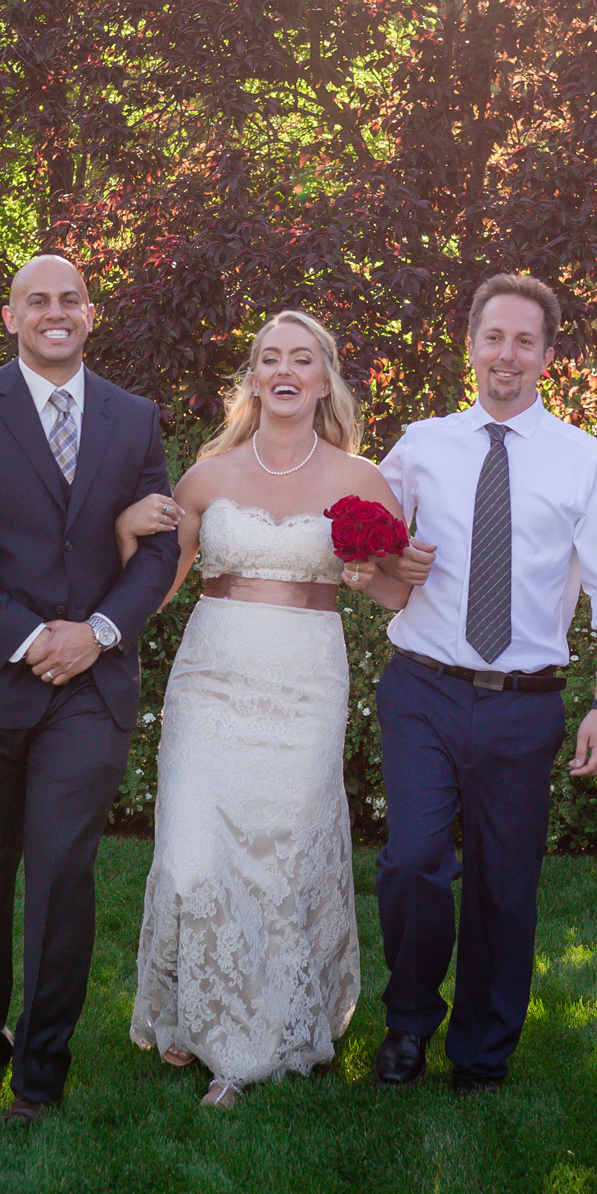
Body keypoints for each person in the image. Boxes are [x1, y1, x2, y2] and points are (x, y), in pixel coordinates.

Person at [355, 272, 597, 1094]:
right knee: (412, 861)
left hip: (525, 703)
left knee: (503, 883)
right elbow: (369, 543)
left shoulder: (585, 461)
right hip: (424, 689)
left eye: (525, 340)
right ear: (471, 344)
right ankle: (409, 1022)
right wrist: (373, 561)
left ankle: (482, 1048)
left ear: (548, 355)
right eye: (493, 337)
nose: (506, 354)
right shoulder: (420, 445)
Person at [0, 255, 180, 1125]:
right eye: (38, 300)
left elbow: (162, 549)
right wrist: (31, 639)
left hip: (88, 688)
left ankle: (41, 1072)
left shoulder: (135, 419)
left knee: (63, 874)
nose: (54, 313)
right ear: (11, 315)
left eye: (69, 300)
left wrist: (94, 633)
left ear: (92, 315)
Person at [114, 310, 399, 1108]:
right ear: (252, 379)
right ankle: (190, 1010)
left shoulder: (361, 479)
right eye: (269, 357)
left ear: (323, 378)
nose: (284, 369)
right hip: (211, 683)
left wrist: (367, 571)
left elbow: (394, 590)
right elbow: (156, 589)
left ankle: (248, 1047)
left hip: (305, 686)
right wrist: (119, 535)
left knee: (281, 855)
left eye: (301, 358)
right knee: (192, 853)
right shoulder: (206, 478)